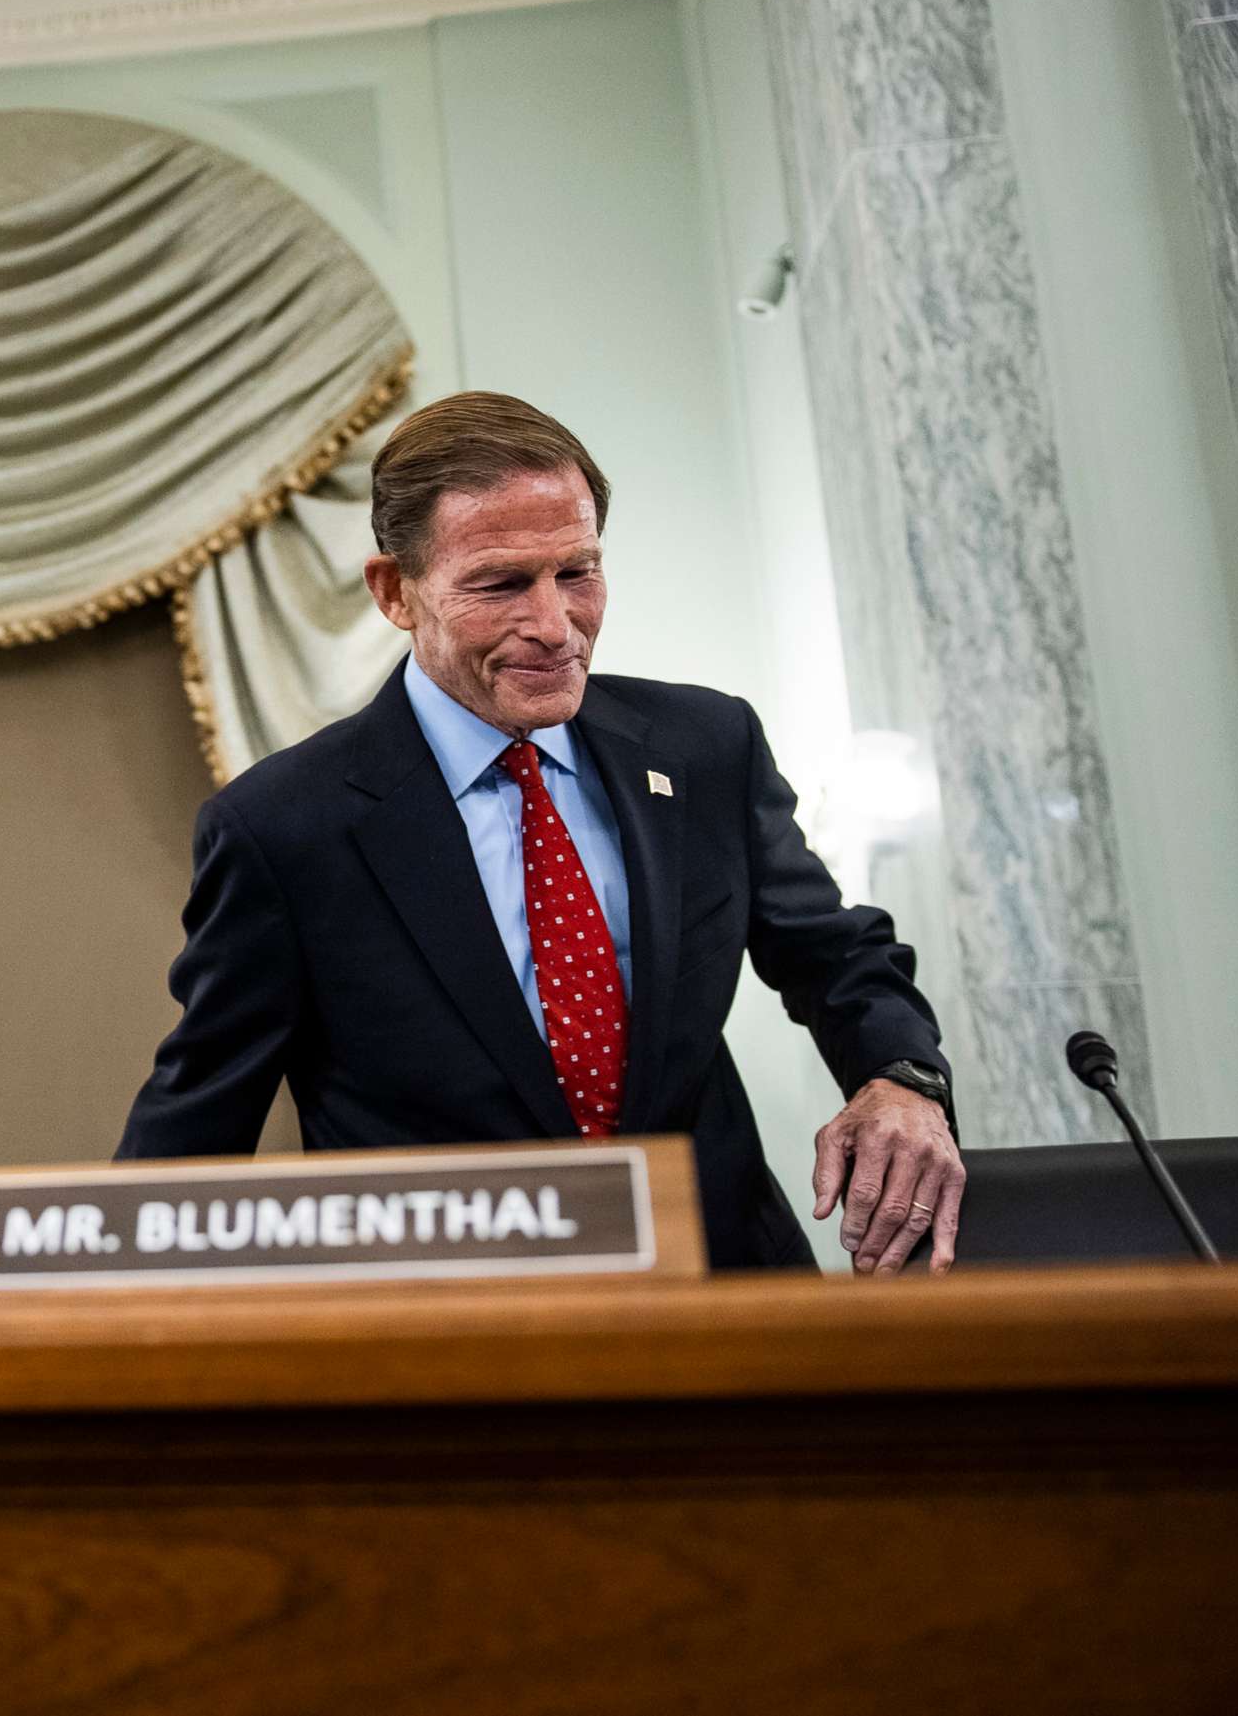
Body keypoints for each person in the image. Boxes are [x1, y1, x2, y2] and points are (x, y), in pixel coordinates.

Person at [118, 391, 962, 1276]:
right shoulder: (284, 828)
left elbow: (834, 955)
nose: (557, 626)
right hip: (458, 1352)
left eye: (577, 572)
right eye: (500, 583)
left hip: (729, 1296)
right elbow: (199, 1120)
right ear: (394, 592)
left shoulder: (707, 748)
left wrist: (902, 1078)